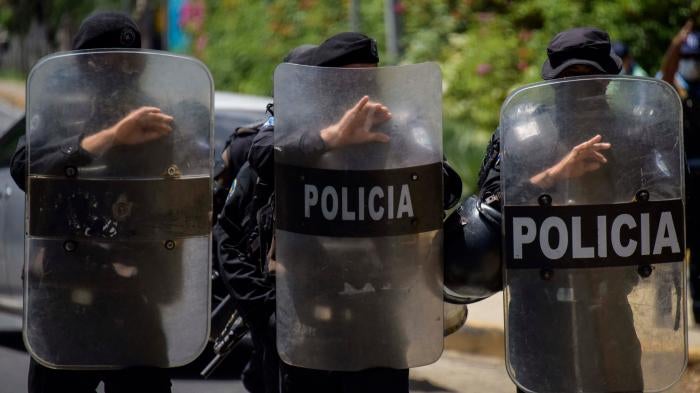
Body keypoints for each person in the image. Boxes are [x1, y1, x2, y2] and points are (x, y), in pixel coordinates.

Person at [216, 32, 461, 393]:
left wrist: (401, 147)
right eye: (350, 80)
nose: (364, 90)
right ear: (325, 86)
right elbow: (261, 157)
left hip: (379, 319)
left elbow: (446, 188)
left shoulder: (396, 133)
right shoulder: (290, 136)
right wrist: (264, 314)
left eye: (371, 79)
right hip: (305, 319)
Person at [478, 27, 654, 393]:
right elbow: (493, 202)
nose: (580, 88)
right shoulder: (520, 133)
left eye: (590, 78)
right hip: (539, 308)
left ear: (608, 80)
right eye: (570, 79)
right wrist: (558, 173)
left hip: (609, 304)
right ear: (552, 81)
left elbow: (668, 200)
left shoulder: (633, 131)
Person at [11, 12, 179, 393]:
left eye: (127, 60)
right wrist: (105, 140)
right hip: (65, 297)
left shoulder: (155, 115)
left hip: (134, 296)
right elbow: (26, 171)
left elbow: (175, 193)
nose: (119, 69)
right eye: (107, 59)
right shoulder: (56, 112)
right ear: (85, 63)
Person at [660, 21, 700, 323]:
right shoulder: (679, 93)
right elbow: (669, 70)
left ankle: (697, 310)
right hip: (680, 181)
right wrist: (678, 42)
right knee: (669, 245)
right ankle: (662, 314)